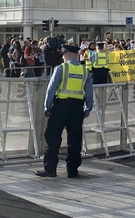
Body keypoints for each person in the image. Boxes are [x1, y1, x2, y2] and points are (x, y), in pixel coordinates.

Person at [35, 44, 93, 179]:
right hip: (77, 108)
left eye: (63, 54)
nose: (62, 56)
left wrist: (47, 107)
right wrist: (87, 109)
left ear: (68, 55)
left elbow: (51, 89)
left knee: (53, 136)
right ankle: (72, 171)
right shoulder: (85, 71)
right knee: (75, 139)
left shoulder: (61, 68)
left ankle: (50, 169)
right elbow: (89, 92)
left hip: (61, 106)